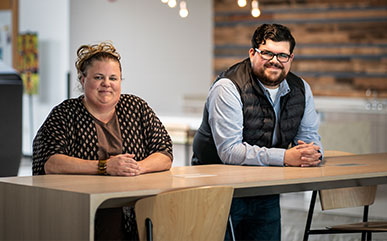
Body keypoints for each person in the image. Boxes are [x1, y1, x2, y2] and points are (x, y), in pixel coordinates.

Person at [192, 24, 323, 241]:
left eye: (282, 55)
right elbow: (229, 151)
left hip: (265, 188)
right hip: (220, 190)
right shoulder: (228, 87)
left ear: (291, 58)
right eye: (268, 53)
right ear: (253, 53)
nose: (275, 60)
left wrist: (314, 153)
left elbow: (309, 137)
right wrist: (286, 157)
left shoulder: (301, 88)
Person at [32, 41, 173, 240]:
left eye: (113, 78)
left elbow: (164, 153)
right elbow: (51, 162)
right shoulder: (64, 113)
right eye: (98, 77)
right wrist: (104, 167)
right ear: (83, 80)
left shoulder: (136, 107)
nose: (106, 84)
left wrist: (136, 168)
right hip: (85, 209)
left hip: (138, 204)